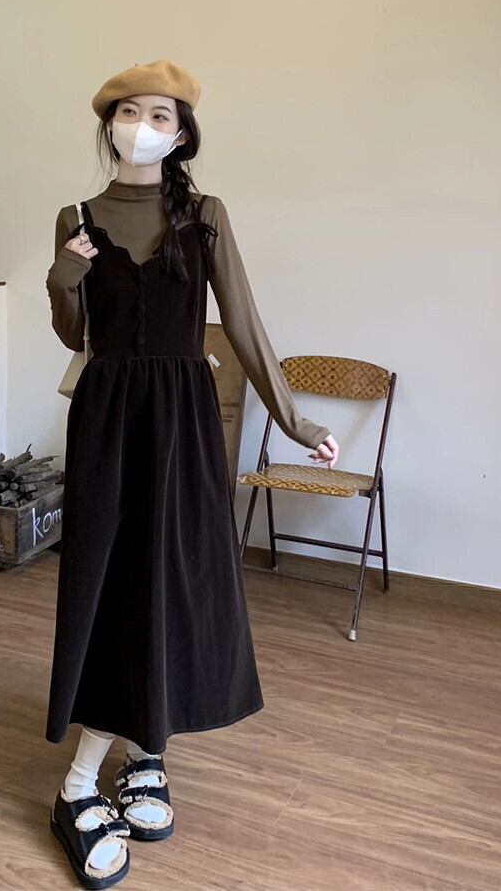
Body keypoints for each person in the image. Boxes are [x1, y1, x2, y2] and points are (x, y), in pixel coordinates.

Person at [45, 59, 339, 888]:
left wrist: (296, 420)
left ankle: (148, 749)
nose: (141, 126)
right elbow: (73, 332)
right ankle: (80, 782)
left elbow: (243, 321)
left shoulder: (205, 216)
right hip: (107, 415)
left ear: (180, 135)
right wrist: (62, 279)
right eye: (128, 112)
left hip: (181, 418)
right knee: (108, 581)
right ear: (107, 124)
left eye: (159, 116)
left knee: (173, 578)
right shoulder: (75, 217)